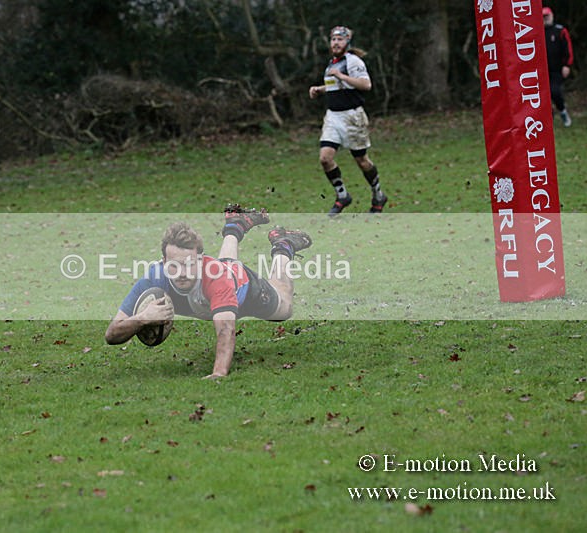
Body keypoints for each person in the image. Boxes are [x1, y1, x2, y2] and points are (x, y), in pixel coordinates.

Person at [104, 205, 312, 379]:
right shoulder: (154, 277)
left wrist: (218, 374)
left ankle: (284, 247)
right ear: (163, 261)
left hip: (245, 290)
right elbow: (111, 335)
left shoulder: (216, 278)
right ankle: (236, 224)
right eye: (174, 265)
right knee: (225, 265)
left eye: (189, 264)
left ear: (200, 259)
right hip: (221, 276)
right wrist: (142, 318)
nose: (182, 273)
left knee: (284, 307)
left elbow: (226, 330)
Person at [309, 25, 387, 216]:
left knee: (362, 161)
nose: (336, 43)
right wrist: (320, 89)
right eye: (333, 39)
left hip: (352, 117)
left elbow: (366, 84)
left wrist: (341, 75)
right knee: (325, 158)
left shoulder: (353, 61)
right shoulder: (332, 63)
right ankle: (342, 196)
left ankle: (378, 195)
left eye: (340, 39)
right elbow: (336, 86)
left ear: (347, 42)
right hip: (333, 116)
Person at [543, 7, 574, 127]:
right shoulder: (538, 32)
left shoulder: (560, 30)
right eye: (543, 17)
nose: (545, 19)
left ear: (552, 16)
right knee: (544, 95)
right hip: (542, 71)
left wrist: (567, 65)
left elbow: (568, 48)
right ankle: (548, 119)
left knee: (555, 91)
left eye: (547, 16)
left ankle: (563, 111)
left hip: (557, 69)